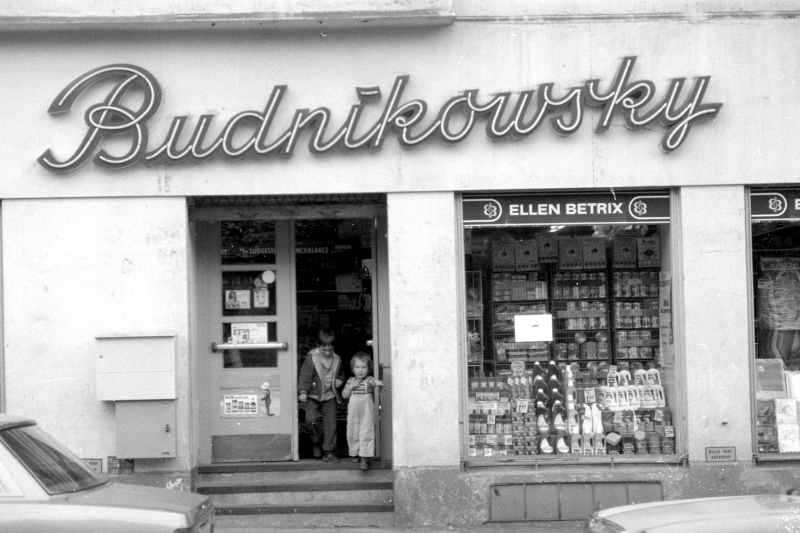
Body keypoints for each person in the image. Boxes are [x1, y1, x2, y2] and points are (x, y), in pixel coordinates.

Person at [298, 328, 345, 462]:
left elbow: (342, 373)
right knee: (310, 420)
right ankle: (316, 441)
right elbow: (305, 376)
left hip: (330, 396)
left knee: (331, 424)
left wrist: (340, 380)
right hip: (313, 396)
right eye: (324, 350)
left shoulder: (337, 359)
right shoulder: (312, 357)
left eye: (330, 349)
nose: (328, 352)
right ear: (319, 346)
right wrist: (303, 391)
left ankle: (329, 451)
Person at [342, 352, 382, 470]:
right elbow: (344, 395)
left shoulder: (369, 380)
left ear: (368, 369)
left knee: (366, 430)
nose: (360, 370)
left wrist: (378, 383)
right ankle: (354, 453)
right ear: (353, 369)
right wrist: (350, 386)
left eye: (364, 367)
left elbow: (376, 383)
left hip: (367, 409)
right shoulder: (350, 380)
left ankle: (364, 457)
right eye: (357, 367)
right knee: (353, 430)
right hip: (354, 409)